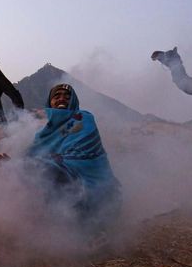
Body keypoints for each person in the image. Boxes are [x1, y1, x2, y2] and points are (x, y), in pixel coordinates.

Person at [27, 83, 122, 236]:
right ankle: (45, 230)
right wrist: (11, 164)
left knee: (48, 171)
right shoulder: (42, 135)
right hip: (60, 188)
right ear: (49, 103)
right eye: (56, 96)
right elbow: (29, 161)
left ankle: (92, 231)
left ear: (74, 101)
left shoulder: (83, 118)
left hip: (99, 194)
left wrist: (53, 162)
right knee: (27, 172)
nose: (62, 99)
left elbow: (84, 153)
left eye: (67, 96)